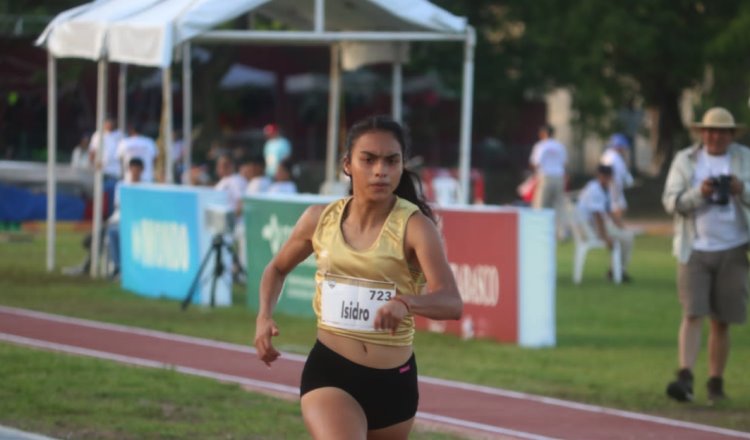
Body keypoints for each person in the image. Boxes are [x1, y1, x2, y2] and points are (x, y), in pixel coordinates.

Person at [254, 115, 463, 439]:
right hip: (331, 371)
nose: (381, 170)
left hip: (394, 382)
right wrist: (264, 316)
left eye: (391, 161)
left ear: (402, 165)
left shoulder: (416, 226)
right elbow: (277, 268)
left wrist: (406, 303)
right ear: (347, 164)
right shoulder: (318, 219)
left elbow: (451, 302)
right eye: (369, 159)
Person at [662, 107, 750, 404]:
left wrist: (741, 189)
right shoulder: (686, 160)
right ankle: (684, 377)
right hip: (694, 247)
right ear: (702, 133)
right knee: (692, 312)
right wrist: (700, 192)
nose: (715, 136)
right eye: (710, 131)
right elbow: (671, 202)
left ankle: (716, 381)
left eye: (722, 131)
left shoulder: (743, 158)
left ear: (731, 134)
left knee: (722, 320)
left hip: (735, 246)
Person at [576, 164, 635, 281]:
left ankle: (617, 270)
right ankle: (617, 271)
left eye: (609, 177)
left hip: (594, 225)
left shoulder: (604, 189)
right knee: (625, 238)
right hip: (588, 227)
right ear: (600, 176)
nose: (608, 179)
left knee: (627, 236)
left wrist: (621, 226)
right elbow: (597, 215)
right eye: (605, 176)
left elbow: (608, 212)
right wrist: (604, 237)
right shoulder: (594, 189)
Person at [106, 157, 144, 278]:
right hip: (121, 219)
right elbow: (117, 204)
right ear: (129, 169)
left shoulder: (146, 186)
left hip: (138, 221)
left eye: (137, 169)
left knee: (116, 232)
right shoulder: (122, 185)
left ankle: (121, 267)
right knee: (112, 232)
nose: (135, 172)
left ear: (142, 170)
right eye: (133, 169)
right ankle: (118, 267)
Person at [529, 124, 568, 238]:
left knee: (540, 204)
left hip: (546, 176)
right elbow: (565, 163)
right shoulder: (560, 146)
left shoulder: (541, 146)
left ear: (544, 133)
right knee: (560, 206)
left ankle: (539, 230)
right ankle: (562, 232)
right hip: (559, 177)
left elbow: (536, 163)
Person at [89, 116, 124, 217]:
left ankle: (111, 216)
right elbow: (92, 152)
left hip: (115, 172)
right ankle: (99, 217)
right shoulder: (97, 135)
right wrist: (94, 164)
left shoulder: (120, 135)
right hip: (102, 172)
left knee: (113, 198)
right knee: (99, 197)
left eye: (111, 122)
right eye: (107, 122)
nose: (109, 124)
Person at [600, 133, 635, 220]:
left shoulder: (617, 157)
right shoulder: (609, 156)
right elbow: (605, 173)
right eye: (623, 146)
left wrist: (629, 181)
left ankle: (616, 225)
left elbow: (623, 172)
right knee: (615, 207)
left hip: (617, 186)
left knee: (622, 207)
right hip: (612, 186)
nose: (624, 149)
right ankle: (614, 225)